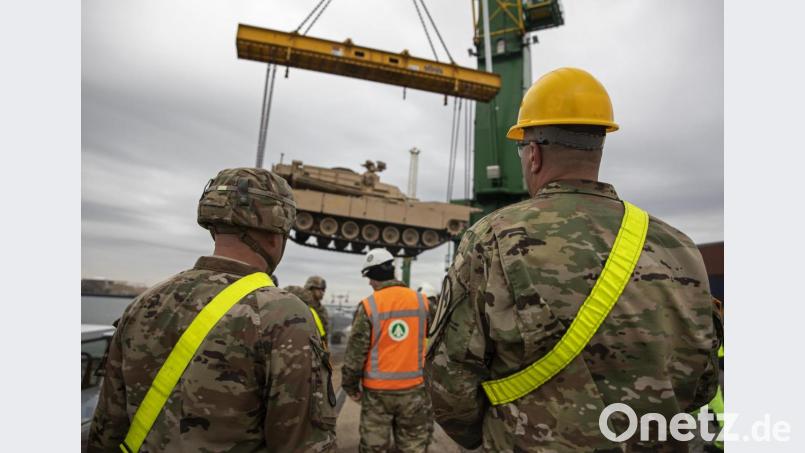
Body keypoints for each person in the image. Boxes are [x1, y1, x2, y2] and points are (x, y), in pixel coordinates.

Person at [426, 67, 723, 451]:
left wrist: (487, 437)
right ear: (598, 148)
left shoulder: (491, 239)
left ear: (533, 154)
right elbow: (701, 384)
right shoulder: (680, 248)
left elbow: (450, 384)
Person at [88, 168, 337, 453]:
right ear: (276, 234)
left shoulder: (144, 303)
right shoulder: (283, 315)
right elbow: (305, 443)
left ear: (214, 226)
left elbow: (107, 427)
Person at [342, 248, 432, 452]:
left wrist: (350, 387)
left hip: (377, 394)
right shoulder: (421, 302)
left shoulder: (368, 306)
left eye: (369, 278)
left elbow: (356, 353)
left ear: (374, 276)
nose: (369, 283)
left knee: (374, 447)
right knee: (413, 446)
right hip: (414, 390)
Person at [305, 275, 331, 344]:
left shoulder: (322, 310)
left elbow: (325, 333)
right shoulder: (302, 306)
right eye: (319, 289)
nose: (322, 292)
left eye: (323, 290)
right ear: (310, 289)